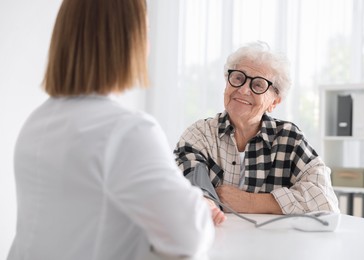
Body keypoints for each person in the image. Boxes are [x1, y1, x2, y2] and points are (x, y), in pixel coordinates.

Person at [7, 0, 214, 259]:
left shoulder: (36, 121)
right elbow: (190, 237)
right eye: (146, 30)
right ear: (129, 41)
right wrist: (198, 202)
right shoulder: (126, 131)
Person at [174, 42, 339, 224]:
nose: (243, 89)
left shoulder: (289, 138)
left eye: (258, 85)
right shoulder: (199, 134)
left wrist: (252, 202)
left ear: (274, 102)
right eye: (238, 78)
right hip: (214, 240)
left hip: (274, 246)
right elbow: (189, 187)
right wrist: (204, 202)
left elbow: (326, 200)